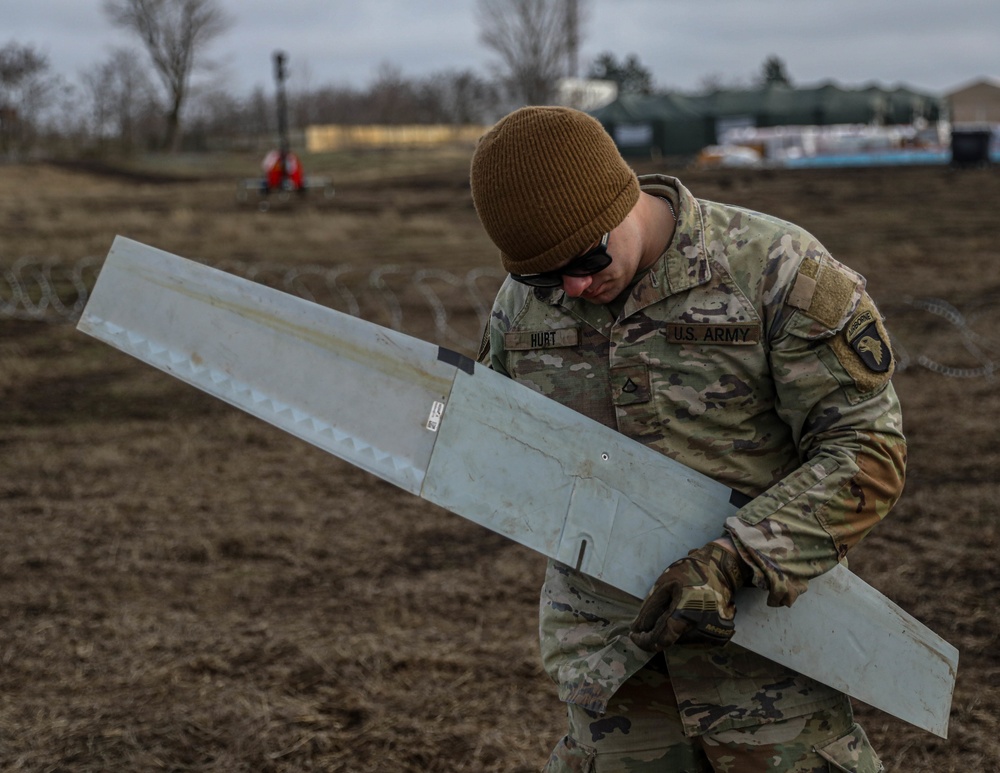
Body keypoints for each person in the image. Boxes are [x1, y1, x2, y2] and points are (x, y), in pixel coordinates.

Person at [470, 106, 904, 772]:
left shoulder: (776, 271)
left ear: (623, 201)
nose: (575, 287)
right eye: (543, 275)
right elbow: (501, 446)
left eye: (586, 257)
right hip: (613, 669)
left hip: (767, 657)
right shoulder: (523, 307)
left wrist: (735, 561)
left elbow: (867, 448)